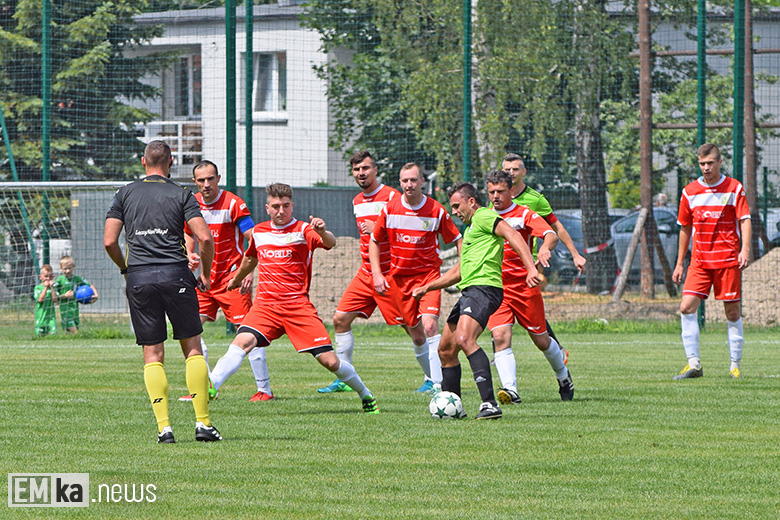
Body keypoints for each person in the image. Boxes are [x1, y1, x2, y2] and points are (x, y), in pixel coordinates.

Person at [208, 183, 379, 413]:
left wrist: (321, 231)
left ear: (292, 206)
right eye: (276, 206)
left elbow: (331, 242)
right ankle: (211, 386)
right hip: (266, 306)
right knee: (241, 342)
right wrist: (237, 279)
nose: (281, 211)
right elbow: (250, 259)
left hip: (297, 307)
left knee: (329, 361)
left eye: (286, 206)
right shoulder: (259, 232)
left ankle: (365, 394)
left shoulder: (303, 230)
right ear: (267, 207)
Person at [104, 140, 221, 443]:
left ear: (144, 162)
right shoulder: (182, 194)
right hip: (176, 275)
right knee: (192, 347)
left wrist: (126, 269)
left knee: (152, 354)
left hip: (140, 278)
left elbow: (109, 242)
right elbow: (205, 239)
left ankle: (164, 428)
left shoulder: (124, 193)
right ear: (170, 162)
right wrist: (205, 273)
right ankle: (203, 424)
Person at [413, 181, 540, 419]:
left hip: (485, 289)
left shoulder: (483, 217)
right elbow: (459, 272)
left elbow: (512, 233)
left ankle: (490, 404)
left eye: (457, 205)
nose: (454, 212)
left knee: (464, 338)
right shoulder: (471, 230)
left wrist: (530, 268)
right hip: (469, 291)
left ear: (471, 201)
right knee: (446, 349)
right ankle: (454, 408)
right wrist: (427, 287)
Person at [178, 160, 273, 402]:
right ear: (194, 182)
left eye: (210, 179)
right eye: (201, 180)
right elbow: (189, 236)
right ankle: (205, 386)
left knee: (249, 332)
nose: (206, 184)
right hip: (204, 280)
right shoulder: (192, 204)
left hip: (232, 278)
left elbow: (252, 238)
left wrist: (248, 271)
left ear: (218, 178)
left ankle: (265, 390)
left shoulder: (234, 203)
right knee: (190, 329)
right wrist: (190, 255)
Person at [369, 162, 462, 393]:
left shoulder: (436, 210)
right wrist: (378, 274)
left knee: (430, 326)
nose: (409, 185)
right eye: (404, 181)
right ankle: (432, 379)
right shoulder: (390, 209)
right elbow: (374, 240)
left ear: (422, 182)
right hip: (400, 281)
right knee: (417, 336)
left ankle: (441, 386)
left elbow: (458, 239)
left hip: (428, 278)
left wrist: (463, 267)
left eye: (413, 180)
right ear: (399, 183)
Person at [484, 171, 574, 404]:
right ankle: (510, 390)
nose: (495, 196)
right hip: (497, 287)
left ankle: (563, 376)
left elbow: (550, 234)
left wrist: (545, 248)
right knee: (500, 335)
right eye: (491, 192)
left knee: (541, 340)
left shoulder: (523, 214)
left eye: (500, 191)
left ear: (511, 191)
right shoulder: (485, 216)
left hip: (525, 286)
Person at [318, 151, 404, 394]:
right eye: (356, 170)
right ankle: (345, 377)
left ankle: (434, 379)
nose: (361, 173)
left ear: (375, 170)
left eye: (365, 168)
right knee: (340, 319)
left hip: (390, 273)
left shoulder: (392, 196)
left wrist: (378, 226)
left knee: (412, 326)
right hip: (366, 271)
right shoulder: (357, 201)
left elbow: (402, 231)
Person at [672, 143, 751, 380]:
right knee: (686, 307)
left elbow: (745, 220)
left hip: (727, 260)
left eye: (710, 163)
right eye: (702, 164)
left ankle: (734, 365)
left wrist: (744, 249)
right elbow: (685, 228)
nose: (706, 168)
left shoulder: (734, 188)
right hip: (700, 261)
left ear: (719, 162)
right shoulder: (690, 192)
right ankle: (694, 364)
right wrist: (679, 263)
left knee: (732, 312)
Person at [501, 153, 579, 362]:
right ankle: (499, 350)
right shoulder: (496, 199)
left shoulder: (534, 199)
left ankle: (556, 349)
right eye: (507, 169)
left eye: (515, 169)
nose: (511, 173)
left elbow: (556, 227)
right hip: (502, 265)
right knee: (497, 303)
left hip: (530, 265)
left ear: (523, 172)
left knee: (531, 314)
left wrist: (575, 254)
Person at [55, 255, 98, 334]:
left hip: (75, 308)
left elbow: (90, 285)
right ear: (61, 268)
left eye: (70, 268)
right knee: (74, 331)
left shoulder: (77, 279)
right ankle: (81, 339)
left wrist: (95, 294)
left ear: (73, 267)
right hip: (65, 309)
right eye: (65, 269)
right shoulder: (59, 280)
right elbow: (54, 296)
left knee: (71, 331)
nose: (68, 271)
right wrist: (64, 296)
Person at [34, 264, 59, 336]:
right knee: (39, 336)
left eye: (50, 277)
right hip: (41, 316)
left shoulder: (53, 288)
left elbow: (55, 300)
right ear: (40, 277)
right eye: (46, 276)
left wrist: (51, 288)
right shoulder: (38, 288)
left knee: (53, 334)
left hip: (51, 316)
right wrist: (45, 288)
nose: (48, 279)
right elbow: (40, 300)